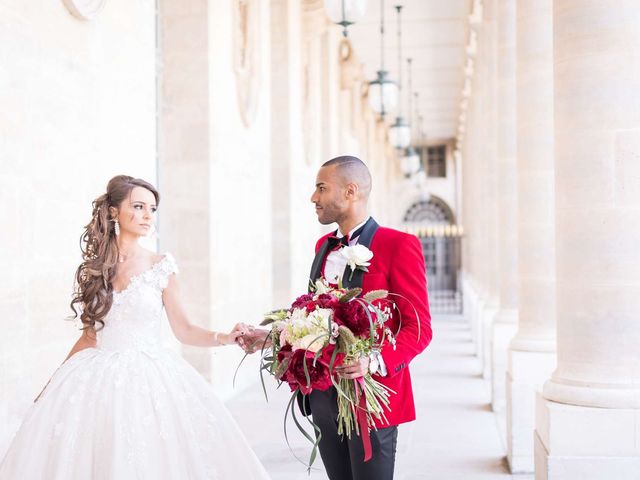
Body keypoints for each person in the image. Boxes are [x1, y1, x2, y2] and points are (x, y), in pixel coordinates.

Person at [0, 175, 270, 480]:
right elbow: (90, 336)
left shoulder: (161, 266)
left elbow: (184, 329)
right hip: (95, 376)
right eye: (138, 206)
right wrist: (53, 384)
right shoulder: (96, 269)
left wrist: (225, 337)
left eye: (152, 209)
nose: (147, 215)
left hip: (149, 377)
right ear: (114, 212)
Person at [239, 156, 432, 480]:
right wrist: (270, 335)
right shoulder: (323, 246)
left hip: (372, 398)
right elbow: (313, 314)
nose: (313, 197)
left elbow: (419, 328)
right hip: (321, 395)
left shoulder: (399, 245)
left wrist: (373, 361)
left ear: (350, 191)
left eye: (321, 188)